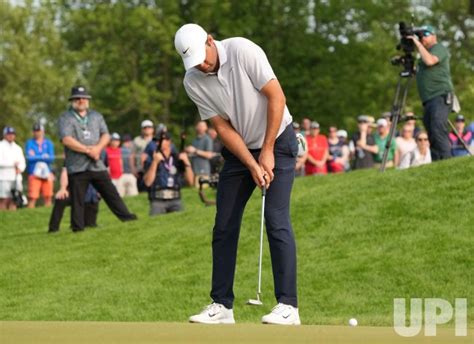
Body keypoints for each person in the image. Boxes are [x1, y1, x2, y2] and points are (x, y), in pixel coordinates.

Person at [175, 23, 300, 325]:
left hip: (278, 139)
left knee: (276, 218)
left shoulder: (243, 50)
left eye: (202, 59)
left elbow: (276, 97)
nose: (201, 67)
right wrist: (252, 163)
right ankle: (222, 305)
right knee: (224, 224)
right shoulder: (193, 79)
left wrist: (267, 151)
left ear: (209, 40)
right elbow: (222, 128)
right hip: (240, 149)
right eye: (193, 64)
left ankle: (288, 306)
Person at [58, 85, 137, 232]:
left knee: (111, 193)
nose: (81, 100)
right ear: (72, 100)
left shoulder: (96, 116)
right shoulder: (65, 118)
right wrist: (88, 150)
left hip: (96, 163)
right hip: (77, 165)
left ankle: (127, 218)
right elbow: (66, 139)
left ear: (88, 100)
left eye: (83, 98)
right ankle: (78, 228)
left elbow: (106, 135)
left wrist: (98, 148)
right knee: (78, 199)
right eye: (77, 98)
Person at [408, 25, 454, 161]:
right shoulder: (423, 55)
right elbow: (419, 70)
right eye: (420, 36)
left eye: (426, 34)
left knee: (437, 128)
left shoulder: (439, 48)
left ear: (434, 36)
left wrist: (417, 43)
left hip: (440, 95)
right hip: (428, 100)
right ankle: (437, 165)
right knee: (431, 133)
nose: (422, 38)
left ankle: (448, 163)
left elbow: (430, 61)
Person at [143, 131, 194, 215]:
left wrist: (186, 162)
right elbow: (148, 182)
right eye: (156, 141)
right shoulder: (151, 159)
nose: (157, 143)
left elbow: (191, 182)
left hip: (176, 199)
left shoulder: (177, 158)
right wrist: (155, 162)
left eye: (160, 140)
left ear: (169, 141)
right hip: (157, 200)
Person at [48, 167, 100, 233]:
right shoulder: (73, 162)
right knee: (61, 199)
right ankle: (53, 228)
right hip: (75, 192)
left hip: (90, 196)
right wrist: (63, 188)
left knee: (90, 225)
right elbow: (65, 170)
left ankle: (83, 223)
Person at [24, 122, 55, 208]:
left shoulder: (49, 143)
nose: (37, 133)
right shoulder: (29, 143)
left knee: (48, 196)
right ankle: (30, 214)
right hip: (34, 172)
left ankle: (48, 214)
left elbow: (51, 158)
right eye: (35, 131)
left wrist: (36, 155)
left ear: (43, 131)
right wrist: (43, 156)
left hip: (47, 172)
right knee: (32, 196)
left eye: (39, 131)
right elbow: (29, 158)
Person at [0, 126, 26, 211]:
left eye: (12, 134)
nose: (11, 136)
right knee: (4, 198)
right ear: (4, 135)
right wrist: (12, 165)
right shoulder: (1, 146)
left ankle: (12, 215)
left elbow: (22, 162)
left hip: (16, 177)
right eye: (9, 134)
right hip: (4, 177)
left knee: (14, 199)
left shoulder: (17, 148)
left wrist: (20, 168)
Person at [185, 120, 214, 186]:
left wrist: (195, 150)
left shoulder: (208, 139)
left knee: (201, 192)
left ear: (206, 128)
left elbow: (209, 155)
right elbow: (195, 154)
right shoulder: (195, 140)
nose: (200, 127)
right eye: (199, 126)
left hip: (203, 171)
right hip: (194, 170)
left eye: (202, 126)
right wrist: (188, 152)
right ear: (196, 127)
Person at [131, 119, 154, 191]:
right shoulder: (137, 140)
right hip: (140, 169)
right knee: (142, 190)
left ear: (153, 129)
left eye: (149, 127)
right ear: (142, 129)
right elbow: (132, 155)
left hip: (154, 168)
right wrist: (133, 169)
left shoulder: (157, 140)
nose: (147, 129)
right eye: (145, 127)